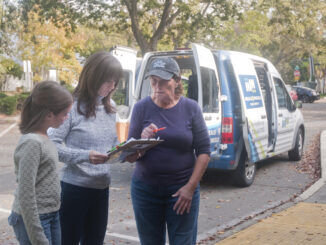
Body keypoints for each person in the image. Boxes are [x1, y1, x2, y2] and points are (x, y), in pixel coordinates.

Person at [127, 57, 211, 245]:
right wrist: (142, 139)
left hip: (182, 189)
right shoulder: (141, 108)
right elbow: (130, 156)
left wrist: (190, 187)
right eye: (153, 81)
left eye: (163, 82)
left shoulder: (191, 108)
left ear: (177, 81)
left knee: (183, 241)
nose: (157, 87)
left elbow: (204, 151)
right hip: (145, 190)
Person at [47, 51, 122, 245]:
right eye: (108, 81)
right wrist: (85, 156)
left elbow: (112, 145)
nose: (112, 86)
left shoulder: (110, 107)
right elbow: (51, 146)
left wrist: (129, 150)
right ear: (93, 77)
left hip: (102, 188)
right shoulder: (71, 107)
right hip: (74, 190)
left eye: (115, 82)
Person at [8, 81, 73, 245]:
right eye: (65, 114)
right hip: (35, 218)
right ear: (49, 114)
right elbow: (25, 193)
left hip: (51, 214)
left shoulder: (45, 137)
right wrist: (37, 236)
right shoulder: (32, 143)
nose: (67, 118)